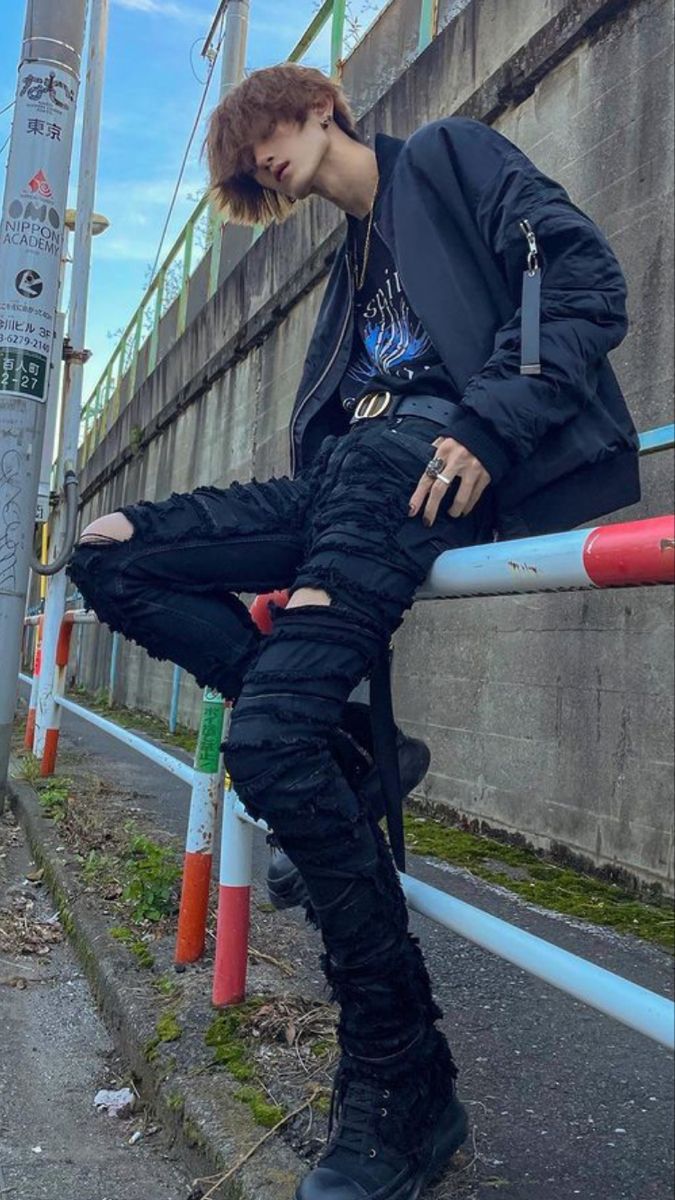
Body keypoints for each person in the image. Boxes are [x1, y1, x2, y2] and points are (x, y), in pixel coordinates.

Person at [66, 64, 640, 1200]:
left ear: (317, 105)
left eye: (260, 134)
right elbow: (329, 450)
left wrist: (489, 421)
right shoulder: (348, 272)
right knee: (109, 549)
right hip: (348, 485)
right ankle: (346, 742)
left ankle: (403, 1073)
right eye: (241, 166)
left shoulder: (449, 156)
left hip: (430, 462)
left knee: (261, 743)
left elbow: (586, 276)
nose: (258, 162)